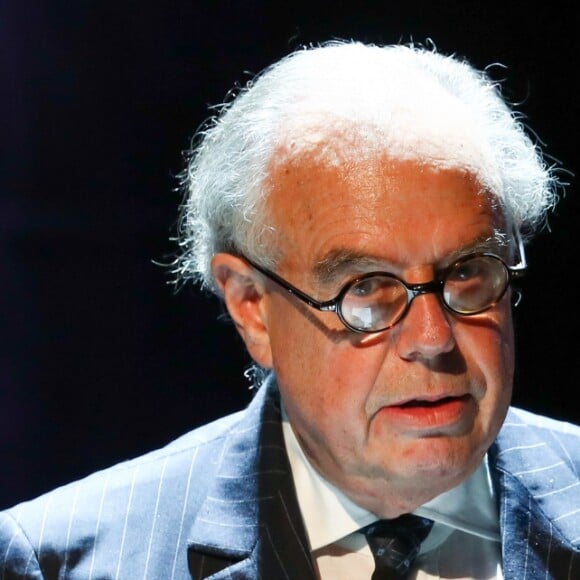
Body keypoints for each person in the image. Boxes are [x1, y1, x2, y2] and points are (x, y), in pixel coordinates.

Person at [1, 39, 579, 580]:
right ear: (251, 306)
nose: (432, 337)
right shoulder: (63, 560)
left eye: (467, 272)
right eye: (367, 289)